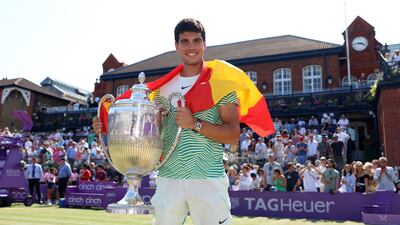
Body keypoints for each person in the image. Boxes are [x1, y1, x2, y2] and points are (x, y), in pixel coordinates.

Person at [94, 18, 273, 225]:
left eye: (196, 41)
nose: (191, 47)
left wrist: (194, 124)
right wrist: (107, 123)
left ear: (205, 44)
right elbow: (149, 132)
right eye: (185, 41)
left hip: (207, 178)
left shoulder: (221, 83)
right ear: (176, 46)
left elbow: (233, 134)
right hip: (168, 178)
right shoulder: (162, 90)